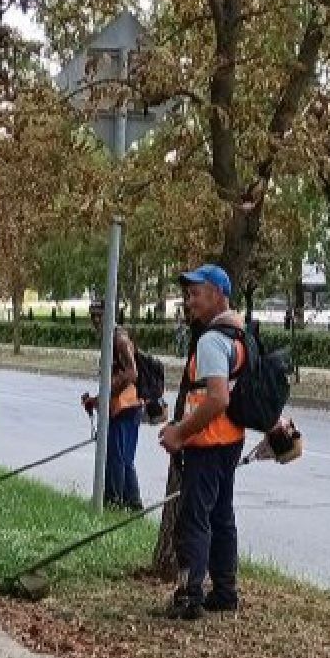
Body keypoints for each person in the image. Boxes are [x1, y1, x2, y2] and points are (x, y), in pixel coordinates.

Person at [158, 264, 246, 620]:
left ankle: (188, 596)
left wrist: (180, 432)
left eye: (196, 294)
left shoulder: (211, 339)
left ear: (217, 294)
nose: (189, 301)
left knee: (194, 519)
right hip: (230, 442)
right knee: (221, 515)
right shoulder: (239, 333)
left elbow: (217, 398)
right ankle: (224, 592)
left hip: (207, 444)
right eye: (188, 294)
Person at [81, 301, 144, 510]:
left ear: (112, 316)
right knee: (120, 457)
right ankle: (131, 503)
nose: (96, 320)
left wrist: (106, 396)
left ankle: (114, 502)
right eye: (93, 316)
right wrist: (97, 399)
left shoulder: (119, 339)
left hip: (127, 407)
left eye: (100, 315)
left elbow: (132, 373)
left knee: (118, 458)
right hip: (120, 405)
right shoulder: (110, 338)